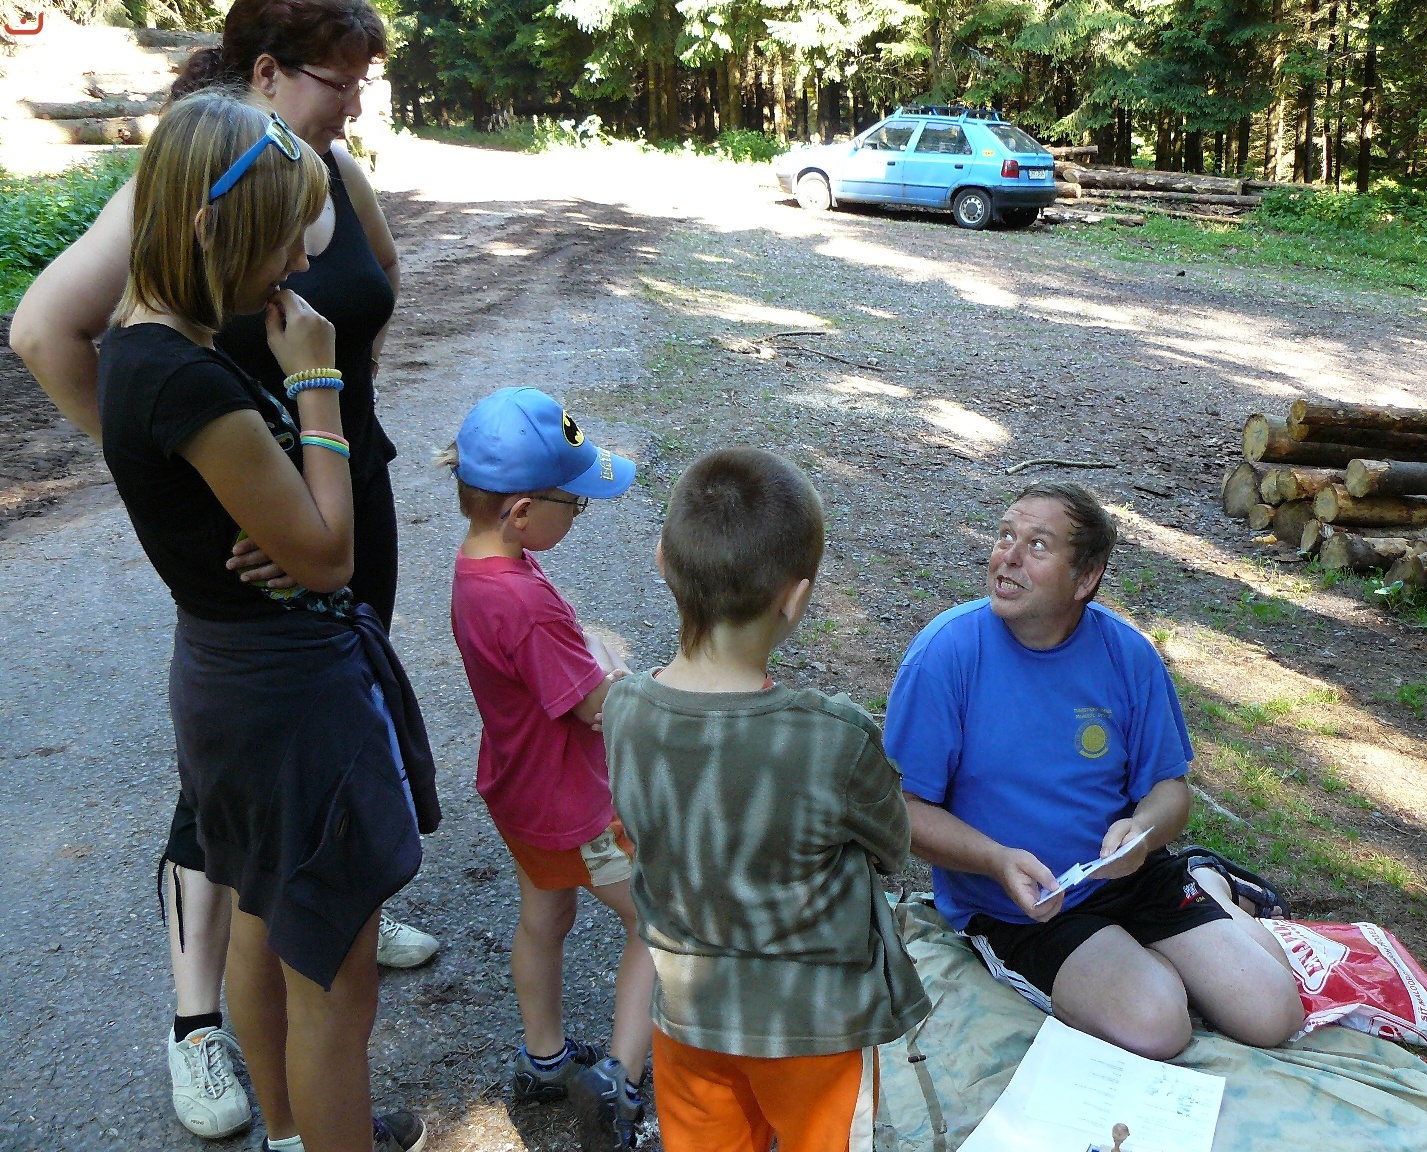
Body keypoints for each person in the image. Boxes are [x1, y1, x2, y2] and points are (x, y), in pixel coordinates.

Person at [8, 0, 437, 1136]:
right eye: (286, 242)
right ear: (217, 228)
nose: (302, 264)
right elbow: (327, 558)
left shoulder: (164, 346)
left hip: (238, 663)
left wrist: (248, 484)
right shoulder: (186, 376)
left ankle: (290, 1131)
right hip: (285, 687)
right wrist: (315, 384)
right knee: (336, 991)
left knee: (262, 908)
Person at [885, 480, 1303, 1061]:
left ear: (1085, 579)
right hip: (1023, 906)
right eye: (1005, 535)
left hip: (1131, 875)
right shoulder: (945, 655)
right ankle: (1174, 938)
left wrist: (1144, 834)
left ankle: (1201, 881)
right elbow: (902, 810)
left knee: (1274, 1014)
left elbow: (1169, 790)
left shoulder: (1127, 653)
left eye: (1037, 544)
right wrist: (995, 860)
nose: (1008, 556)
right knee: (1159, 1026)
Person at [602, 448, 931, 1152]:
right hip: (816, 1029)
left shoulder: (623, 710)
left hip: (687, 1016)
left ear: (662, 561)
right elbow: (892, 845)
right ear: (797, 598)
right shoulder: (834, 738)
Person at [443, 387, 655, 1152]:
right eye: (576, 503)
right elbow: (596, 707)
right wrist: (631, 676)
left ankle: (544, 1060)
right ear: (522, 511)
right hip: (575, 809)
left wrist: (581, 647)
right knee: (656, 921)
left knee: (546, 917)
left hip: (519, 792)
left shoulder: (480, 568)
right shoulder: (524, 604)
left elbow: (542, 663)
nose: (580, 513)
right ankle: (620, 1088)